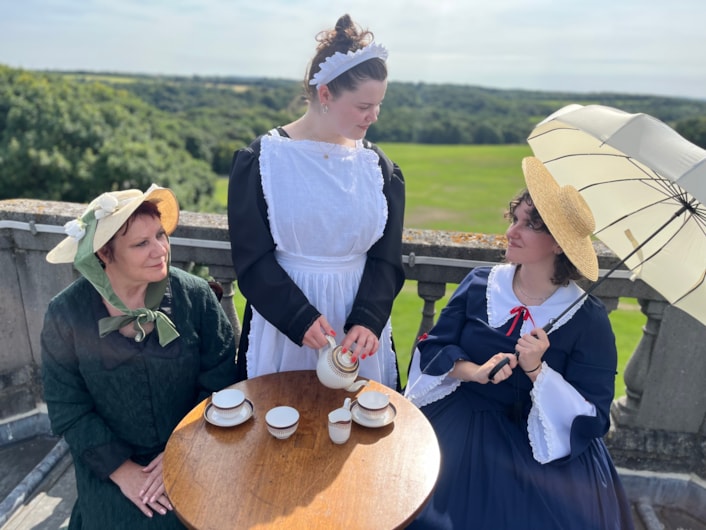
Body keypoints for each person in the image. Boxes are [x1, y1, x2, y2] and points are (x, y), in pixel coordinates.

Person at [405, 157, 634, 529]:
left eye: (530, 226)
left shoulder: (588, 320)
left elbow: (594, 414)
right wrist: (474, 372)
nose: (513, 231)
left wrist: (537, 371)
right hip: (459, 424)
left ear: (559, 245)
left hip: (535, 452)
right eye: (515, 219)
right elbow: (433, 347)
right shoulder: (481, 283)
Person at [41, 184, 239, 529]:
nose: (160, 250)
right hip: (110, 464)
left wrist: (181, 453)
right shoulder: (64, 314)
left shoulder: (196, 297)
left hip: (195, 446)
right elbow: (68, 409)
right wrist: (123, 472)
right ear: (104, 253)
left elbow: (221, 384)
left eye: (161, 236)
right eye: (141, 243)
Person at [227, 14, 405, 389]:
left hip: (357, 334)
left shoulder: (379, 168)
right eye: (363, 106)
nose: (373, 116)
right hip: (283, 324)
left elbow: (386, 259)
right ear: (325, 95)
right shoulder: (261, 161)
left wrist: (369, 319)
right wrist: (299, 317)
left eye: (380, 104)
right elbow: (252, 259)